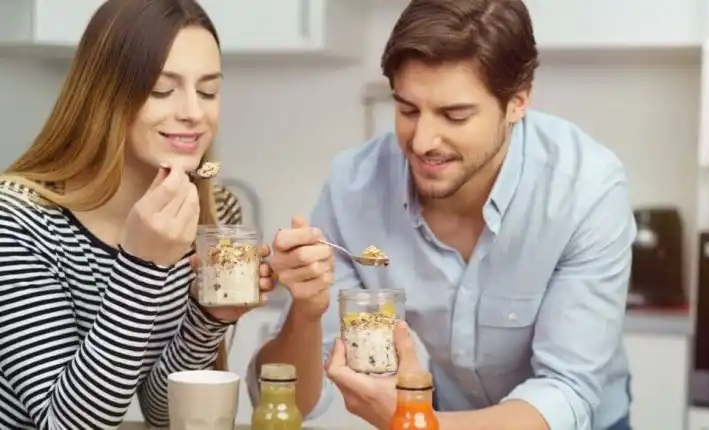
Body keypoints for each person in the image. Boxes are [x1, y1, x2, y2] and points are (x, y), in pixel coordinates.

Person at [253, 0, 637, 429]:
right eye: (407, 110)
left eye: (455, 115)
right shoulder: (354, 189)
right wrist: (306, 312)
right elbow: (294, 401)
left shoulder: (586, 190)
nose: (422, 142)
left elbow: (567, 390)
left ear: (518, 101)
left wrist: (416, 423)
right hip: (448, 415)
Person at [0, 1, 324, 428]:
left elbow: (164, 410)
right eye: (161, 89)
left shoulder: (213, 210)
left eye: (208, 91)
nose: (193, 112)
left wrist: (208, 315)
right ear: (104, 94)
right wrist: (141, 264)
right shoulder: (19, 220)